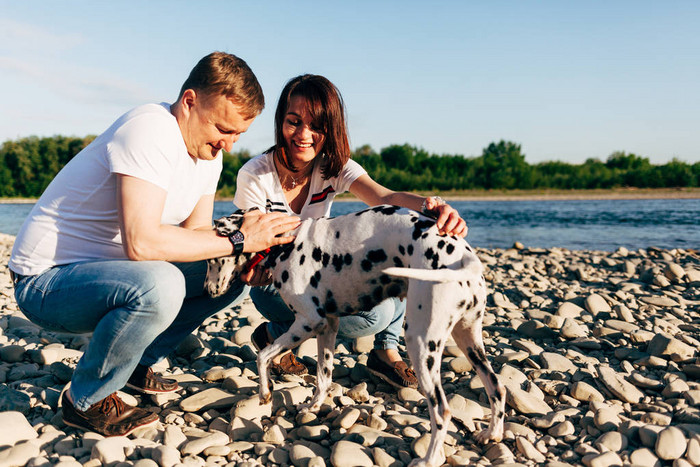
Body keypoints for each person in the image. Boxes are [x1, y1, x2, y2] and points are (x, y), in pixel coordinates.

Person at [8, 52, 300, 437]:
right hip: (45, 282)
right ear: (189, 102)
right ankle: (85, 401)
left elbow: (198, 235)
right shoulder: (150, 130)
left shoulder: (207, 154)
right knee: (161, 284)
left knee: (224, 277)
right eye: (222, 128)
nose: (228, 144)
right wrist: (240, 236)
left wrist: (245, 255)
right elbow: (141, 244)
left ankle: (134, 367)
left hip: (105, 275)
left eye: (238, 135)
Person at [233, 74, 467, 389]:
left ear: (331, 129)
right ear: (280, 122)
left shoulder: (332, 165)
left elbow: (384, 198)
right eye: (294, 122)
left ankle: (385, 352)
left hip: (319, 273)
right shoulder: (255, 174)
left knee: (400, 251)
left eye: (316, 126)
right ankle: (274, 335)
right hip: (273, 283)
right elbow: (249, 243)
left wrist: (432, 208)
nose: (304, 135)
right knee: (372, 316)